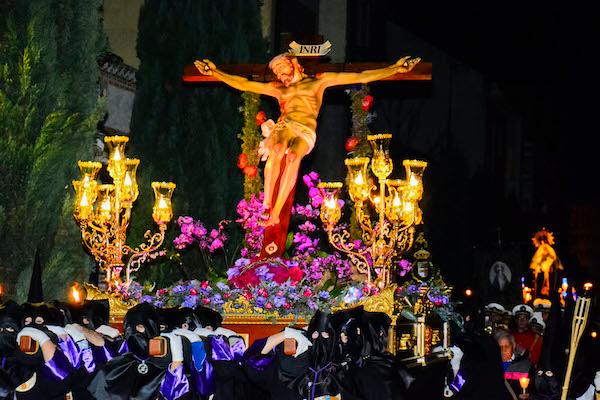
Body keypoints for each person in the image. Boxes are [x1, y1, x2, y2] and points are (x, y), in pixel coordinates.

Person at [194, 54, 420, 228]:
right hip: (285, 125)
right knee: (279, 148)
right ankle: (266, 206)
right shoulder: (278, 89)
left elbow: (360, 76)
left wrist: (394, 68)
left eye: (282, 68)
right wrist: (216, 73)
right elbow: (244, 84)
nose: (280, 75)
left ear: (294, 63)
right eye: (276, 72)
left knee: (292, 157)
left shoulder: (318, 82)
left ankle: (276, 213)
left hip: (306, 131)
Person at [494, 330, 534, 399]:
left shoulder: (526, 366)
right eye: (500, 347)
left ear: (513, 346)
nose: (503, 350)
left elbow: (535, 391)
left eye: (506, 346)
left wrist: (529, 396)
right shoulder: (490, 366)